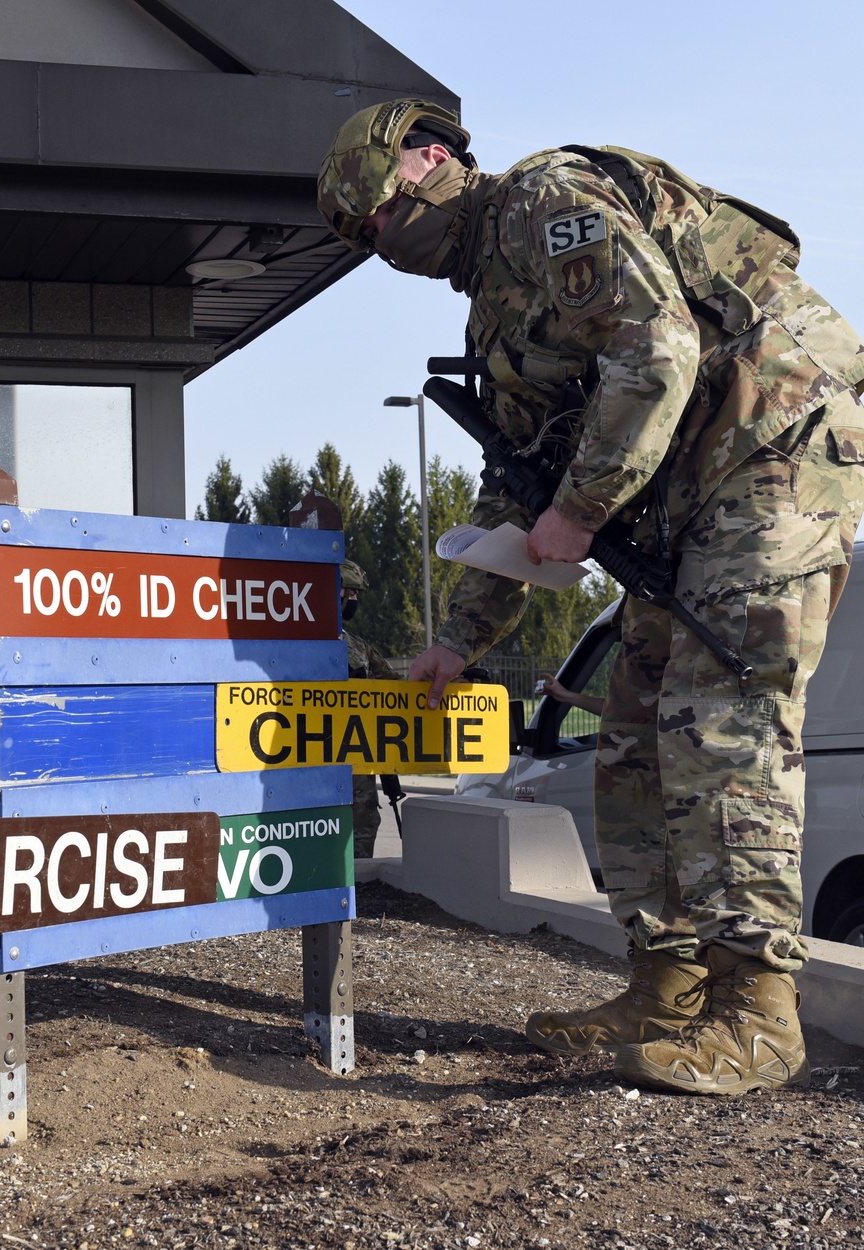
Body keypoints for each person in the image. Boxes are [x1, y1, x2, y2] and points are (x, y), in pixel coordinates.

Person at [318, 100, 864, 1094]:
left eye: (384, 215)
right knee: (631, 726)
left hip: (775, 449)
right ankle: (667, 983)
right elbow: (513, 483)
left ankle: (758, 1011)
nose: (381, 244)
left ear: (432, 159)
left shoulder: (543, 201)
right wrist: (465, 643)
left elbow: (656, 353)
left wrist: (581, 508)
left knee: (718, 718)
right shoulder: (491, 306)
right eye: (362, 239)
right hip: (687, 493)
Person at [340, 560, 404, 857]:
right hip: (310, 761)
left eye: (356, 594)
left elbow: (396, 688)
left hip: (358, 763)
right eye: (346, 591)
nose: (352, 600)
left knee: (363, 829)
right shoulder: (295, 643)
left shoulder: (357, 646)